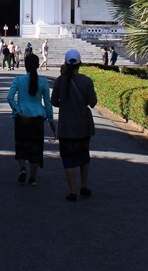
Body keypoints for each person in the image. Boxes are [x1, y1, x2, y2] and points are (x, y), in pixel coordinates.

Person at [51, 49, 97, 202]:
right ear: (80, 64)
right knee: (83, 155)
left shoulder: (60, 81)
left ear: (65, 63)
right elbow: (93, 103)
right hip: (83, 124)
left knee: (68, 157)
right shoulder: (86, 81)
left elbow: (53, 101)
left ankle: (72, 191)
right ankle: (84, 186)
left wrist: (65, 104)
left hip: (66, 124)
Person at [6, 53, 55, 186]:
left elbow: (10, 97)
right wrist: (51, 121)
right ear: (38, 65)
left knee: (21, 145)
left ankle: (22, 168)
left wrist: (18, 111)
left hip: (22, 118)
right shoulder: (43, 81)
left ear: (25, 65)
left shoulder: (18, 80)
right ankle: (33, 178)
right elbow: (48, 103)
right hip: (37, 118)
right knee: (35, 147)